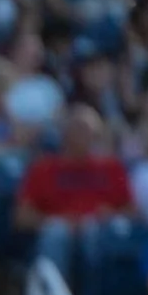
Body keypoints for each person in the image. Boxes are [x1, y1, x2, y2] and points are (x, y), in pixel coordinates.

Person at [15, 105, 132, 281]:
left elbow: (132, 211)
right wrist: (55, 221)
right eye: (78, 129)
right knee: (56, 233)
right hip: (57, 229)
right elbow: (22, 217)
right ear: (64, 133)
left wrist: (110, 215)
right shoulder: (43, 168)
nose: (84, 135)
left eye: (89, 130)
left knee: (94, 233)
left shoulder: (112, 167)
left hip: (98, 229)